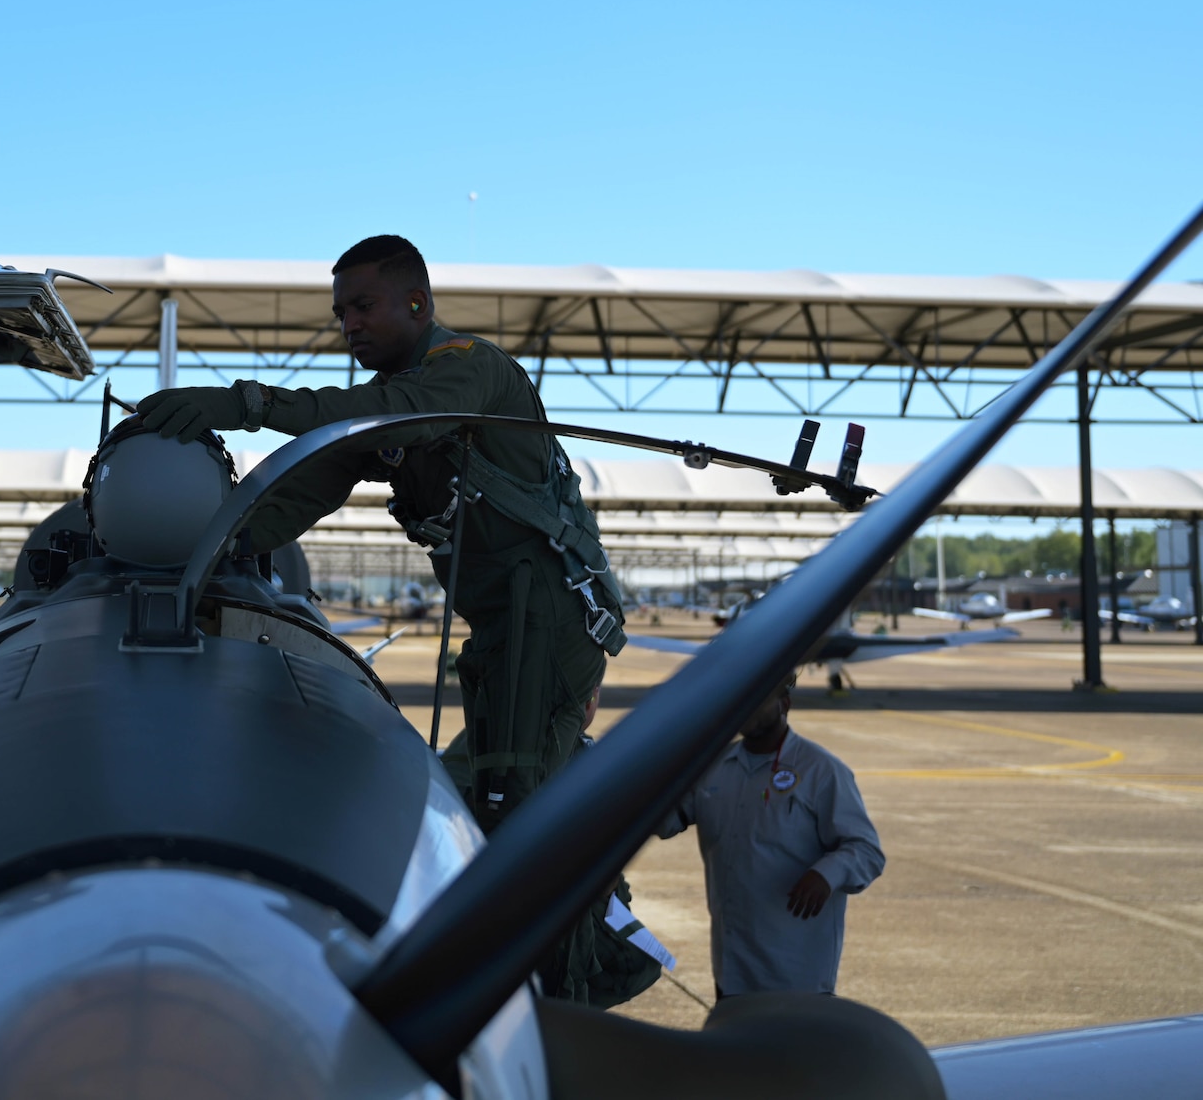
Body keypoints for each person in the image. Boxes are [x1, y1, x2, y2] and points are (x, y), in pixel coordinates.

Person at [137, 234, 626, 827]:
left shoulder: (469, 368)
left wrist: (250, 405)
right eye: (341, 313)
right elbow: (307, 487)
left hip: (548, 618)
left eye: (363, 306)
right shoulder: (381, 409)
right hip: (506, 626)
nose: (349, 325)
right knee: (483, 803)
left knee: (520, 818)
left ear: (417, 304)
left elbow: (394, 416)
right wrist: (207, 545)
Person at [657, 676, 885, 998]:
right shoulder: (714, 766)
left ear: (785, 705)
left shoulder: (821, 770)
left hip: (797, 971)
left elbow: (866, 850)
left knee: (792, 1049)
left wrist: (826, 874)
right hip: (732, 967)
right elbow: (665, 821)